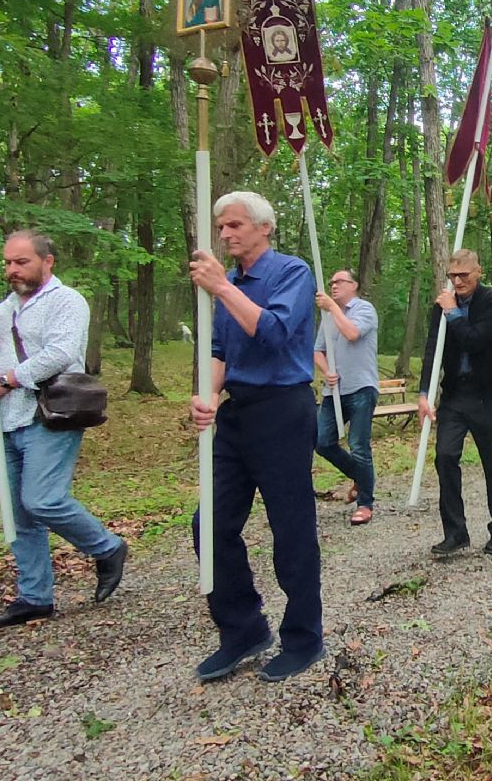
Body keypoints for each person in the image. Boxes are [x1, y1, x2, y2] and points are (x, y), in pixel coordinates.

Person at [187, 192, 325, 683]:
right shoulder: (230, 283)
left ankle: (304, 638)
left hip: (284, 411)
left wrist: (223, 288)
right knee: (209, 524)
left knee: (290, 528)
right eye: (221, 227)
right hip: (236, 415)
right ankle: (243, 629)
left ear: (264, 227)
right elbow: (220, 349)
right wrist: (208, 396)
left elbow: (272, 332)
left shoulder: (291, 273)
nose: (225, 234)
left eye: (235, 225)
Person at [0, 230, 128, 633]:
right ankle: (35, 597)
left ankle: (107, 547)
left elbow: (60, 354)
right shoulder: (2, 311)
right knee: (19, 516)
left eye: (21, 262)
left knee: (42, 500)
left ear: (47, 261)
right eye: (8, 262)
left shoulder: (66, 301)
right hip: (7, 419)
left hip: (51, 414)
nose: (12, 270)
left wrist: (6, 380)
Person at [418, 249, 492, 557]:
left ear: (478, 272)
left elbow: (475, 340)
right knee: (445, 456)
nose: (457, 281)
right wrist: (424, 394)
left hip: (488, 394)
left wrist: (453, 313)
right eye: (452, 276)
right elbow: (432, 350)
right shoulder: (442, 305)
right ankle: (455, 533)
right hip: (456, 394)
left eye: (464, 275)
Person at [314, 268, 379, 527]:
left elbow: (352, 333)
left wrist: (332, 308)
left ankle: (365, 503)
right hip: (334, 391)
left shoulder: (365, 309)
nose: (334, 285)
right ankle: (361, 478)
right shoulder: (328, 316)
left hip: (361, 387)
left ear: (354, 285)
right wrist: (326, 370)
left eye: (339, 281)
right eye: (332, 282)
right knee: (322, 441)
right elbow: (317, 350)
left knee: (358, 445)